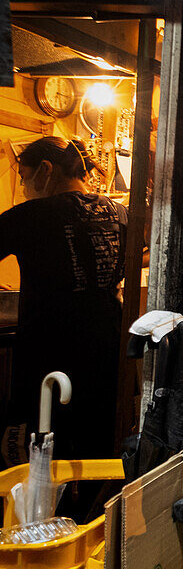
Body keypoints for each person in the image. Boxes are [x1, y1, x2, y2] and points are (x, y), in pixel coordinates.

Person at [0, 137, 126, 461]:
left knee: (37, 459)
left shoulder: (31, 215)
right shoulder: (121, 213)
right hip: (107, 354)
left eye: (25, 177)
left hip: (47, 357)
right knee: (95, 454)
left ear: (45, 170)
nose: (26, 186)